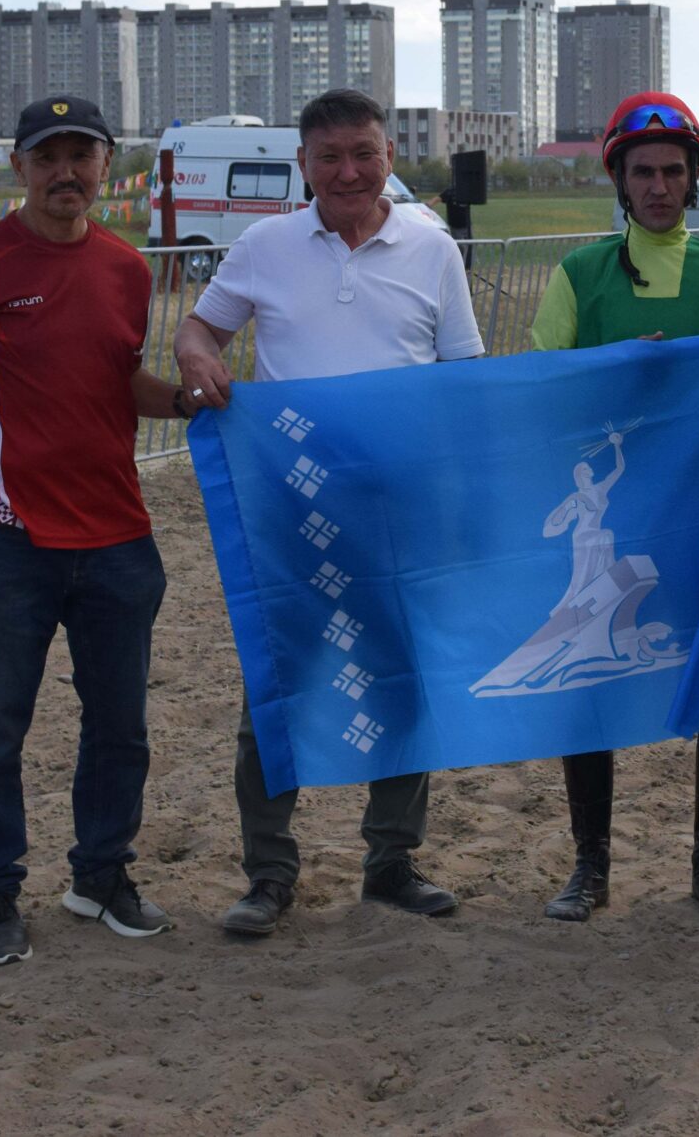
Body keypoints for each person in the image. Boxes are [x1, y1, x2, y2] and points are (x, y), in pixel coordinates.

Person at [177, 88, 485, 936]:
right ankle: (269, 872)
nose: (348, 171)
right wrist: (198, 358)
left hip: (399, 516)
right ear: (302, 165)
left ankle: (391, 863)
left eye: (364, 153)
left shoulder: (433, 249)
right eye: (329, 157)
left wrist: (460, 501)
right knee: (276, 690)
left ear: (390, 155)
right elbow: (198, 331)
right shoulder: (263, 246)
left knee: (402, 683)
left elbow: (465, 381)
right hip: (291, 515)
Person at [0, 96, 191, 968]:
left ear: (107, 164)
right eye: (48, 156)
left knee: (121, 725)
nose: (67, 172)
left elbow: (119, 379)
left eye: (82, 155)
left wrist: (190, 400)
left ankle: (100, 874)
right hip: (3, 536)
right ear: (19, 165)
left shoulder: (127, 269)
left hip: (116, 535)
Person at [526, 90, 699, 926]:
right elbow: (540, 383)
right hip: (606, 524)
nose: (659, 186)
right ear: (620, 178)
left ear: (693, 177)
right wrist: (613, 369)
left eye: (674, 171)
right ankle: (590, 867)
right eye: (642, 171)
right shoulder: (579, 274)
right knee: (588, 687)